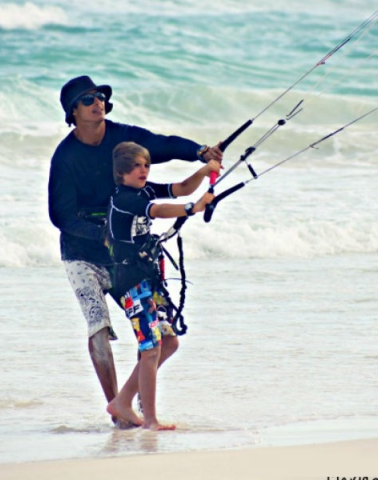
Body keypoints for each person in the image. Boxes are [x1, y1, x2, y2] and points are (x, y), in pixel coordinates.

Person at [47, 75, 223, 426]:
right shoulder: (65, 157)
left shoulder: (121, 137)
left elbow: (162, 144)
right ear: (73, 112)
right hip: (82, 253)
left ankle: (126, 401)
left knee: (162, 338)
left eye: (99, 96)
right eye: (87, 100)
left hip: (124, 255)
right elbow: (60, 215)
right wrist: (104, 234)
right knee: (99, 327)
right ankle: (119, 410)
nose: (97, 102)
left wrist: (200, 153)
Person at [105, 141, 221, 430]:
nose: (143, 170)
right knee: (150, 347)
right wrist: (192, 208)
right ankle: (151, 420)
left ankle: (122, 401)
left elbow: (180, 188)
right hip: (130, 281)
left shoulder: (143, 189)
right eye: (136, 166)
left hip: (148, 278)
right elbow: (157, 210)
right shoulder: (124, 199)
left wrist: (205, 170)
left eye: (146, 165)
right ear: (122, 173)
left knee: (168, 342)